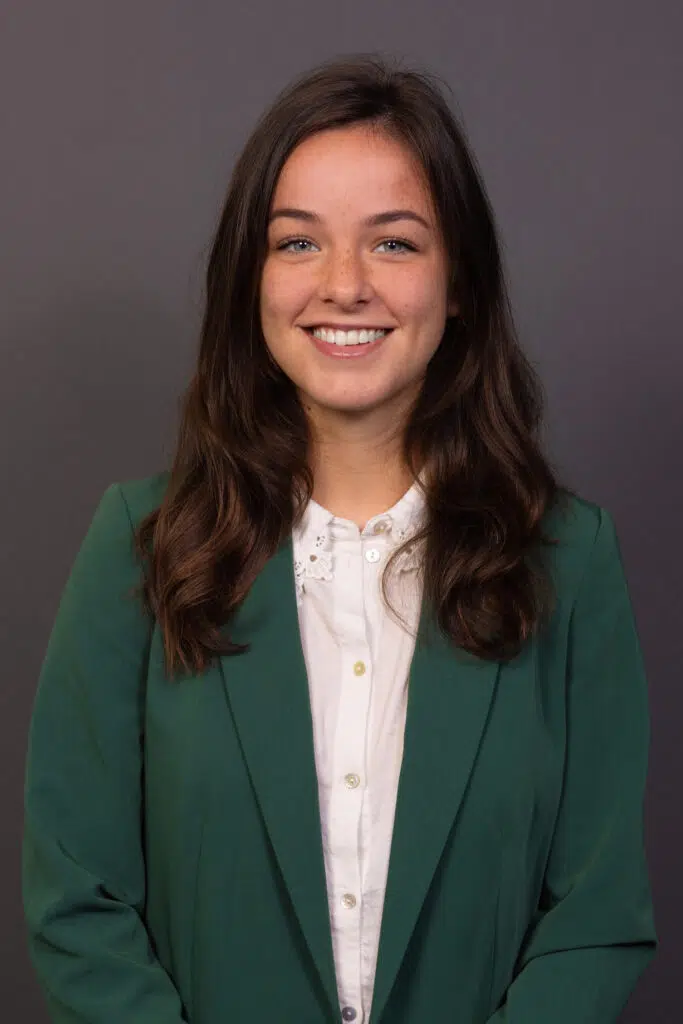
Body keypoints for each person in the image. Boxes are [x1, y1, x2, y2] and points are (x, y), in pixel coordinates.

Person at [22, 53, 658, 1023]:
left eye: (394, 244)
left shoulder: (567, 563)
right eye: (297, 243)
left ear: (459, 287)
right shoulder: (138, 546)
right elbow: (77, 903)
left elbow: (595, 911)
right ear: (252, 279)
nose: (345, 285)